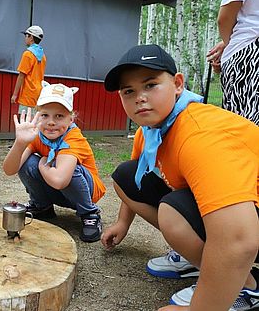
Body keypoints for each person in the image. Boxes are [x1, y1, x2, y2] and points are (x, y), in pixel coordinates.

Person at [100, 44, 259, 310]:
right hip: (240, 218)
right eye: (129, 91)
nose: (140, 97)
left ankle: (248, 287)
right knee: (125, 176)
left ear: (177, 84)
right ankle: (200, 258)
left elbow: (239, 241)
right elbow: (136, 178)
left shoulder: (200, 134)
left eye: (150, 85)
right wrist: (122, 224)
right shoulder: (150, 131)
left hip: (247, 226)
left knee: (173, 211)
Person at [3, 82, 106, 242]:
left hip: (83, 192)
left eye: (59, 116)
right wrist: (20, 143)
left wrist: (43, 165)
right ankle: (41, 206)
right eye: (45, 115)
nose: (51, 122)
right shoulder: (36, 134)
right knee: (27, 162)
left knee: (69, 167)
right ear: (38, 116)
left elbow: (60, 181)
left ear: (71, 119)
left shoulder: (73, 138)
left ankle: (89, 213)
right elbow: (10, 170)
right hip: (58, 189)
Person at [206, 0, 259, 125]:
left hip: (249, 54)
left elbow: (225, 18)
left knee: (246, 133)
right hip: (249, 51)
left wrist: (231, 47)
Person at [11, 25, 47, 114]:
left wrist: (15, 94)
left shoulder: (28, 54)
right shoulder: (43, 56)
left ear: (31, 37)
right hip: (38, 94)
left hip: (28, 94)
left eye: (26, 35)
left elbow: (21, 75)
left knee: (26, 123)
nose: (25, 38)